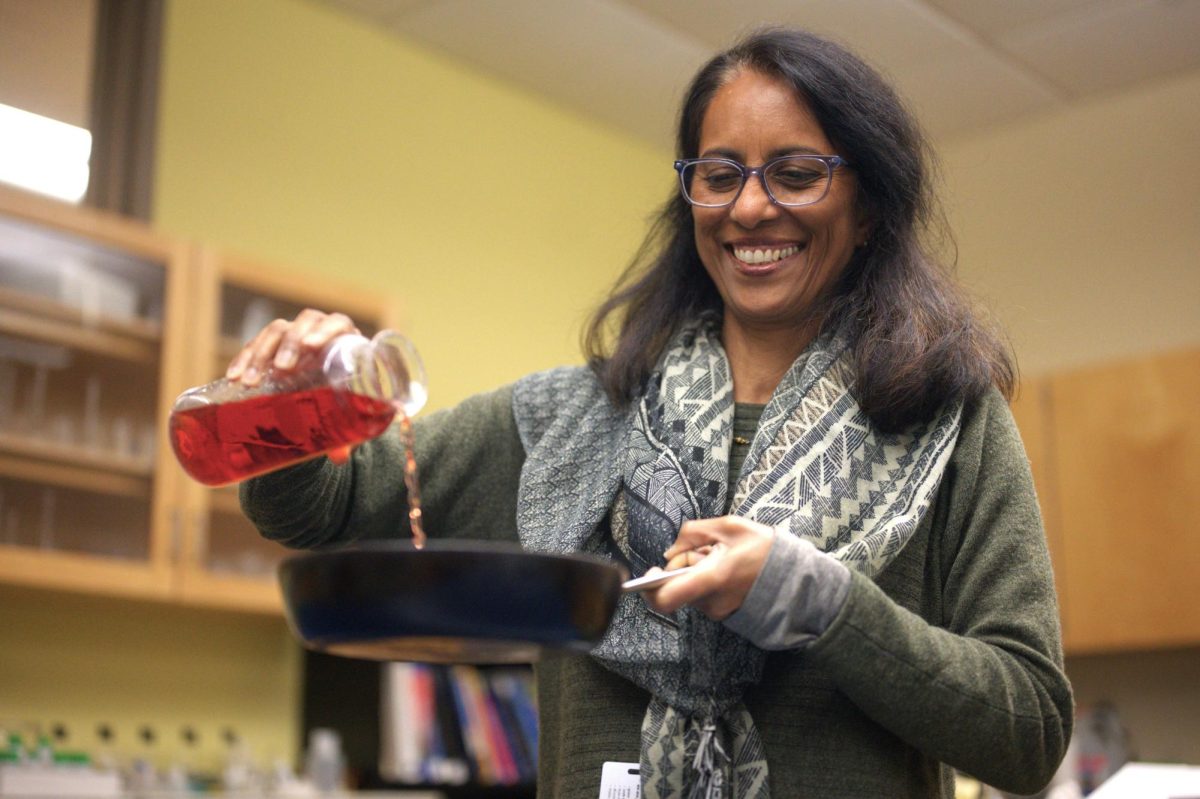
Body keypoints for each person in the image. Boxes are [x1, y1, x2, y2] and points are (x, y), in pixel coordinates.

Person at [229, 27, 1072, 799]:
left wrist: (821, 603)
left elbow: (1028, 732)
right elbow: (325, 508)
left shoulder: (947, 425)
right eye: (719, 175)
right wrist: (290, 411)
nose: (749, 208)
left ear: (870, 209)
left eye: (797, 172)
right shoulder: (573, 416)